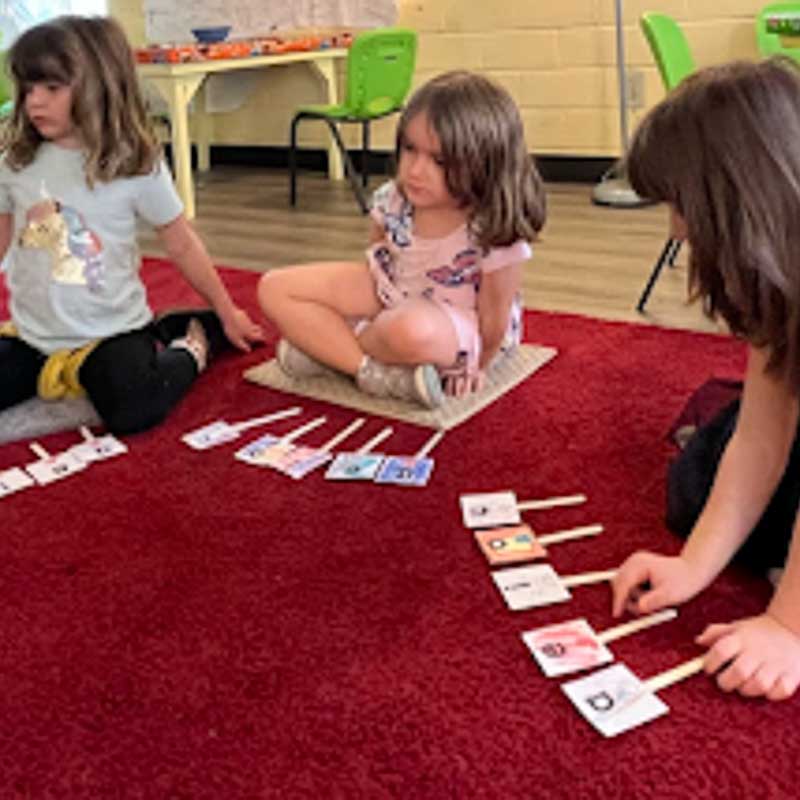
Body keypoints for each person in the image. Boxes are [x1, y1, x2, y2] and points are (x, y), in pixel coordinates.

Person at [611, 58, 800, 702]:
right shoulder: (782, 280)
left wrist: (787, 627)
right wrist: (693, 566)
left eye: (679, 204)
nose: (675, 228)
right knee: (699, 482)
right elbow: (761, 435)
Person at [0, 15, 263, 435]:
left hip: (113, 330)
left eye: (51, 88)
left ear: (96, 87)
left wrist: (226, 311)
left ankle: (196, 339)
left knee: (135, 407)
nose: (34, 102)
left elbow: (181, 243)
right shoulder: (15, 160)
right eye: (28, 88)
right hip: (35, 334)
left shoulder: (133, 163)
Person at [258, 70, 545, 409]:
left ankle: (328, 350)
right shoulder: (393, 197)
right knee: (274, 287)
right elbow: (377, 255)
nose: (415, 170)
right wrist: (358, 300)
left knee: (408, 330)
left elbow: (494, 320)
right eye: (410, 149)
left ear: (483, 163)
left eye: (439, 160)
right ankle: (366, 370)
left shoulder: (493, 227)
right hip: (393, 293)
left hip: (453, 322)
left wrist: (479, 365)